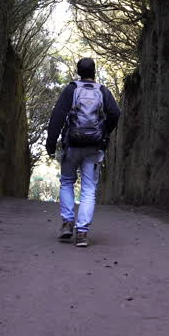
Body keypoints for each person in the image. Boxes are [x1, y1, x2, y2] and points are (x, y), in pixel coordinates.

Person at [46, 57, 121, 247]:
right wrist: (104, 132)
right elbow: (115, 113)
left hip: (72, 145)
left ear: (78, 71)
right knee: (89, 189)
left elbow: (58, 116)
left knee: (67, 182)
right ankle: (82, 233)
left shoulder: (71, 89)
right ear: (94, 72)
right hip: (94, 148)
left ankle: (67, 224)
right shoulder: (102, 91)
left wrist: (51, 142)